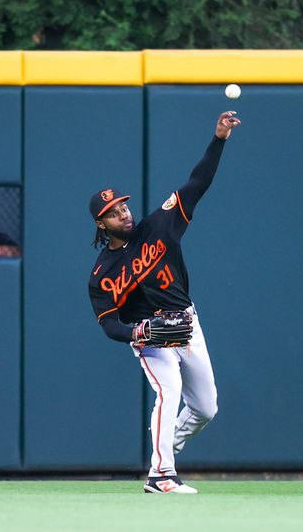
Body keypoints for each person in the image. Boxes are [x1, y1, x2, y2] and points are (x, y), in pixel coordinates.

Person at [87, 111, 241, 494]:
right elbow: (108, 323)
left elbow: (197, 183)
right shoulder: (102, 272)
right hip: (150, 335)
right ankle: (161, 476)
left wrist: (218, 138)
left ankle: (164, 448)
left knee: (206, 408)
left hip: (186, 323)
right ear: (100, 224)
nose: (122, 212)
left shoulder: (159, 224)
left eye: (122, 206)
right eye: (112, 212)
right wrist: (136, 332)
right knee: (168, 390)